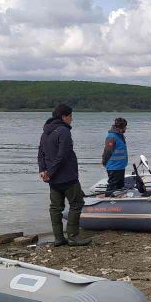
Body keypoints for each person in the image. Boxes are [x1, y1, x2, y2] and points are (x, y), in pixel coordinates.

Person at [37, 104, 91, 247]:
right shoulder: (64, 131)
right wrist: (50, 172)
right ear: (64, 116)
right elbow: (63, 155)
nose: (71, 119)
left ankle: (59, 238)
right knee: (77, 203)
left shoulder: (45, 132)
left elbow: (40, 153)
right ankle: (73, 237)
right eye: (70, 116)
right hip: (67, 177)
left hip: (52, 179)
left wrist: (43, 170)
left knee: (55, 207)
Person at [102, 117, 129, 196]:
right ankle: (107, 201)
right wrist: (104, 162)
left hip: (120, 166)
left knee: (119, 187)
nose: (125, 129)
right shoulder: (112, 137)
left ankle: (118, 201)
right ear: (119, 127)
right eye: (124, 127)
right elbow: (107, 151)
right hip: (114, 167)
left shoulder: (120, 136)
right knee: (112, 187)